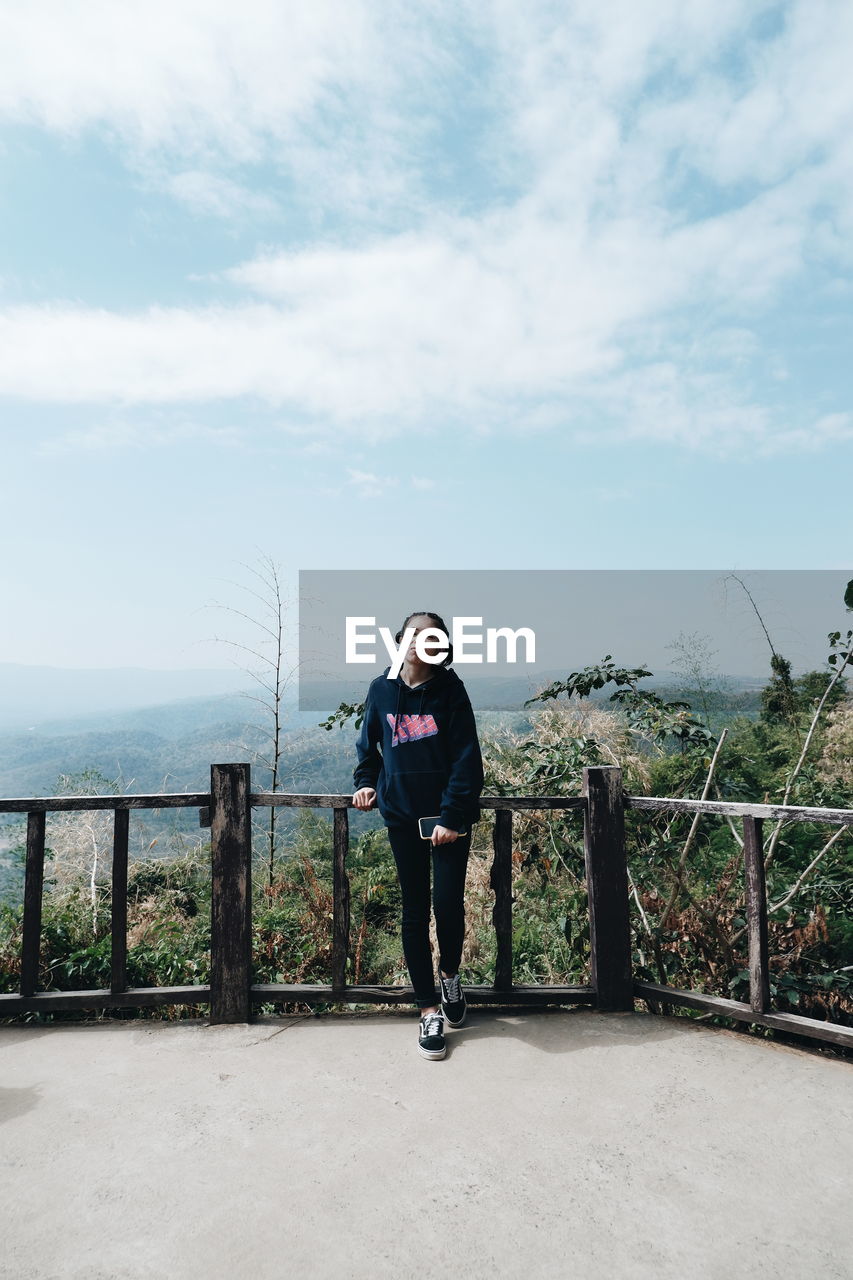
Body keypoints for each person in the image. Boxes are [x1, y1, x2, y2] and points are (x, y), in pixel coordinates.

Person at [352, 610, 484, 1061]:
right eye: (413, 635)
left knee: (447, 904)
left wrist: (451, 815)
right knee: (414, 910)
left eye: (431, 638)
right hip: (401, 816)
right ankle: (428, 1006)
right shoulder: (380, 689)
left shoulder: (451, 690)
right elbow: (368, 745)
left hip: (447, 821)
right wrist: (365, 782)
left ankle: (450, 975)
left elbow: (467, 759)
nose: (419, 643)